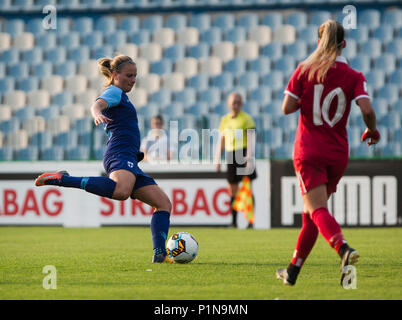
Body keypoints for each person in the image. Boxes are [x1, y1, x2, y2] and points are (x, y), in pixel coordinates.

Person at [35, 55, 173, 263]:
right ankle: (63, 179)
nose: (133, 80)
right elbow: (97, 104)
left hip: (130, 160)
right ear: (115, 75)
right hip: (119, 153)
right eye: (128, 75)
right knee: (121, 191)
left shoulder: (121, 95)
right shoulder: (115, 91)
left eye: (135, 76)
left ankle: (159, 254)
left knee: (163, 204)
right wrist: (96, 112)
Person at [276, 20, 380, 286]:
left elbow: (287, 107)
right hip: (337, 153)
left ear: (318, 43)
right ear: (344, 44)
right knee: (312, 212)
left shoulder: (305, 70)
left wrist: (305, 97)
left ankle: (343, 249)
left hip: (309, 150)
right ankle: (292, 270)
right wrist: (372, 131)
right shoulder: (355, 76)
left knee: (317, 209)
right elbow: (367, 110)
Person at [215, 92, 257, 228]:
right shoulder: (225, 120)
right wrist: (217, 158)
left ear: (242, 104)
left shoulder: (247, 119)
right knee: (232, 189)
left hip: (243, 152)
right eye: (234, 102)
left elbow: (251, 139)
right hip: (230, 154)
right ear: (229, 104)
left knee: (247, 188)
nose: (236, 105)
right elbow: (221, 140)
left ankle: (250, 222)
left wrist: (249, 158)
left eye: (238, 102)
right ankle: (234, 222)